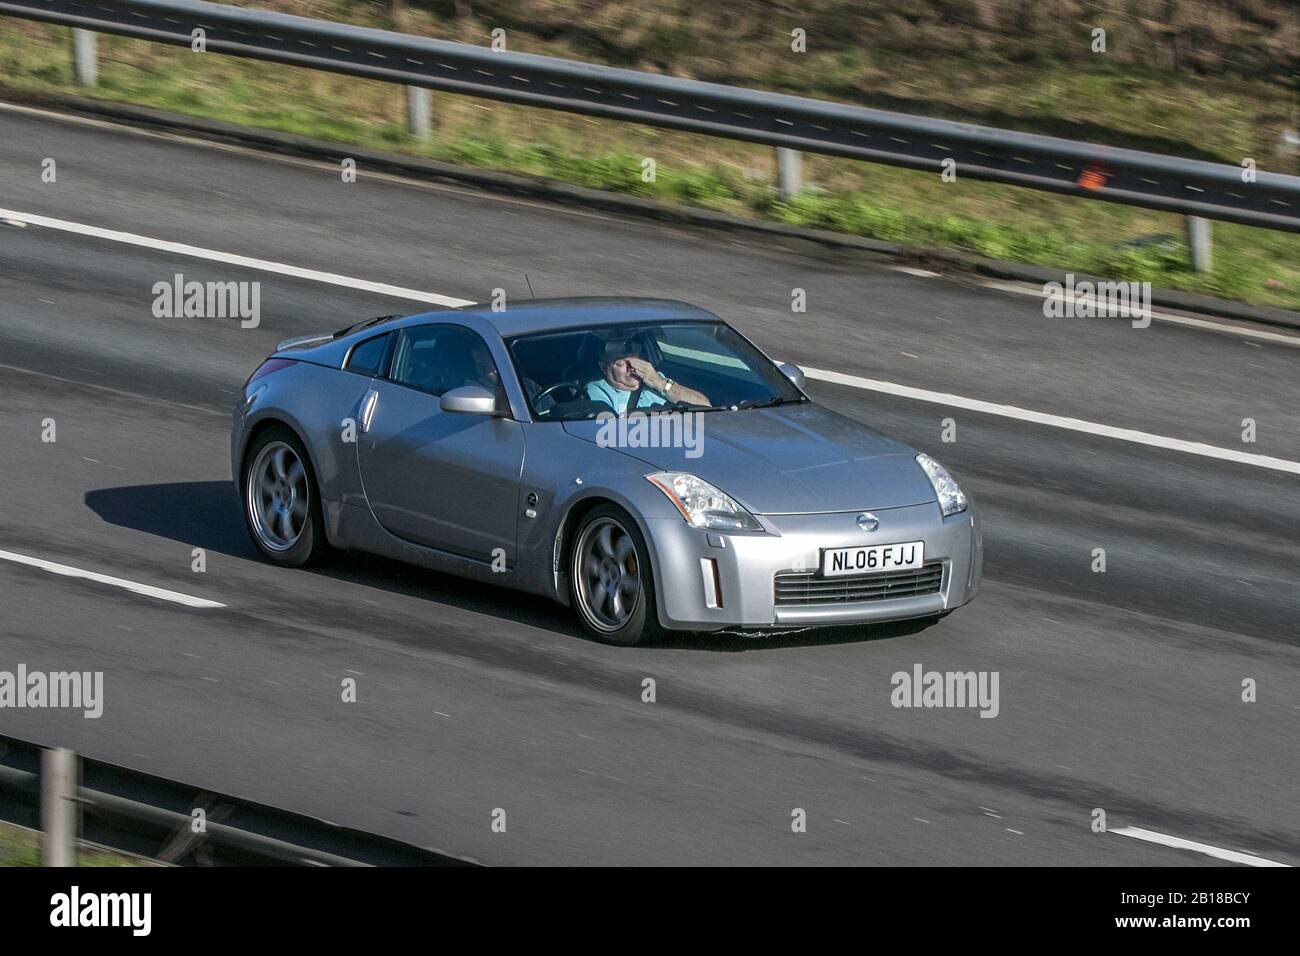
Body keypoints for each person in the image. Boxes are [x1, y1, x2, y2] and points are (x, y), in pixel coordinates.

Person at [585, 339, 709, 414]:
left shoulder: (656, 380)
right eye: (621, 363)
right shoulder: (597, 390)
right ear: (604, 368)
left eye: (636, 359)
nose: (632, 367)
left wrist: (659, 383)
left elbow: (705, 406)